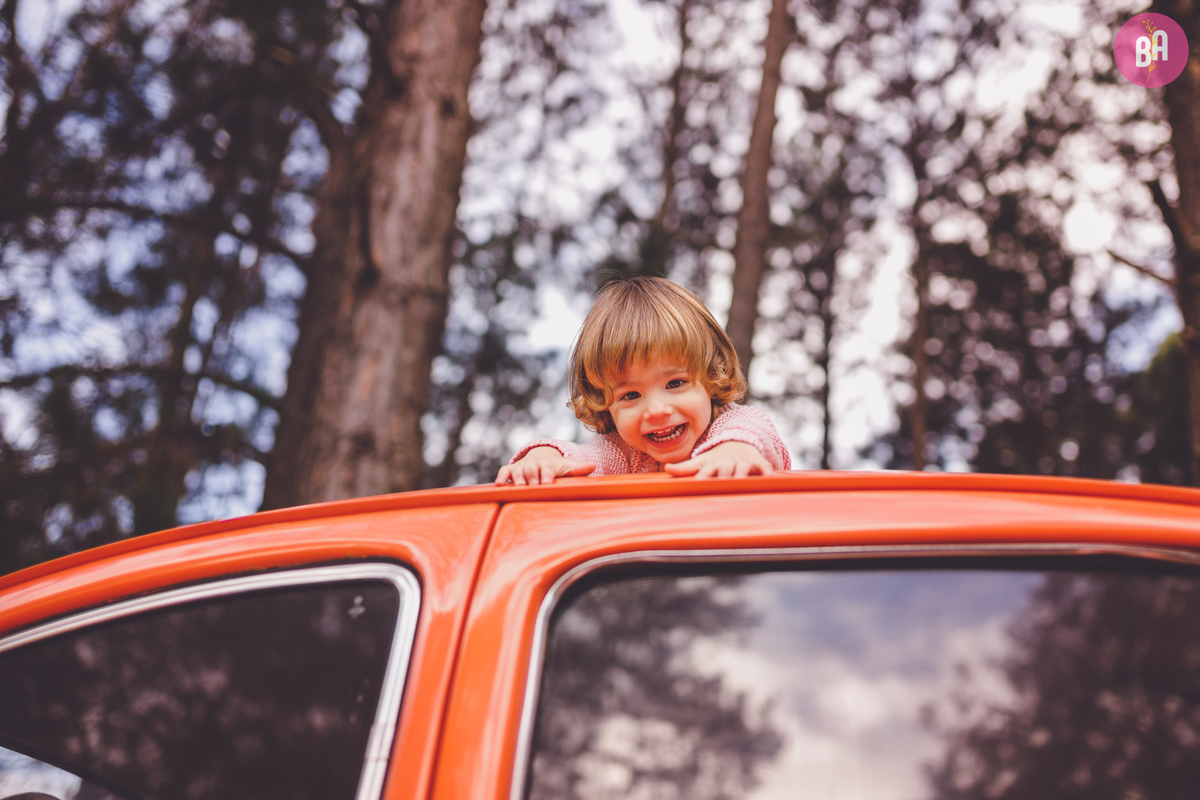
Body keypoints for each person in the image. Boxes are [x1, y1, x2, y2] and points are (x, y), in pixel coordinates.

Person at [495, 276, 790, 485]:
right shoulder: (624, 454)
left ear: (710, 375)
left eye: (675, 384)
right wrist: (544, 456)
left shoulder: (730, 425)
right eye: (631, 396)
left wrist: (735, 452)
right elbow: (585, 460)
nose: (656, 410)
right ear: (604, 403)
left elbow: (754, 436)